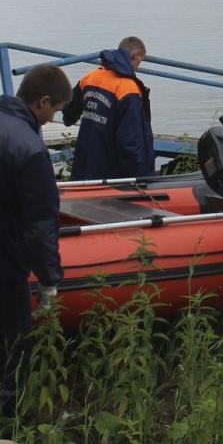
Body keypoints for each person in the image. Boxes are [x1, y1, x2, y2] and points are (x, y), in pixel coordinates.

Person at [0, 65, 70, 417]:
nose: (52, 117)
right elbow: (40, 225)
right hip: (6, 264)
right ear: (43, 102)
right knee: (14, 345)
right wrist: (49, 280)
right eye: (55, 110)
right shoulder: (28, 147)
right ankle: (13, 420)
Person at [62, 36, 153, 180]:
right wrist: (140, 178)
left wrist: (69, 118)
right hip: (109, 173)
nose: (138, 67)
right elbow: (130, 142)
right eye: (139, 62)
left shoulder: (89, 77)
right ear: (134, 57)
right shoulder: (128, 89)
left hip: (84, 164)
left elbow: (68, 112)